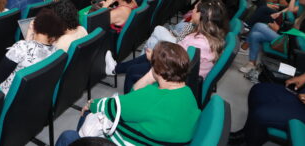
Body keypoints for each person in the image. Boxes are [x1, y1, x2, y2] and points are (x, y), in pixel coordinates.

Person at [56, 42, 201, 146]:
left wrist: (91, 104)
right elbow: (133, 98)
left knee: (68, 136)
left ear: (159, 70)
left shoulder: (153, 98)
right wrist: (152, 75)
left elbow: (109, 107)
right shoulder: (187, 93)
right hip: (153, 139)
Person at [112, 0, 228, 92]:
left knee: (133, 71)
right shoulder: (211, 36)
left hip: (179, 77)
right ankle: (115, 68)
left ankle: (127, 111)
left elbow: (175, 63)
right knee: (147, 55)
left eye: (195, 9)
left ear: (203, 16)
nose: (192, 11)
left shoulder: (199, 42)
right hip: (183, 70)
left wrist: (154, 57)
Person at [240, 0, 305, 75]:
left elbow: (298, 37)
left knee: (258, 26)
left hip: (293, 47)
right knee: (256, 35)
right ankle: (252, 63)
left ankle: (245, 47)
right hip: (289, 40)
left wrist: (278, 30)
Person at [0, 8, 65, 94]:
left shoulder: (20, 48)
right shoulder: (55, 51)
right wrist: (30, 34)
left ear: (36, 26)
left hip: (6, 95)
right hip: (31, 95)